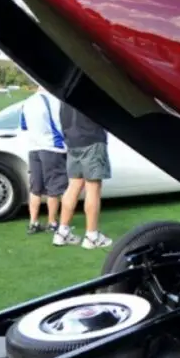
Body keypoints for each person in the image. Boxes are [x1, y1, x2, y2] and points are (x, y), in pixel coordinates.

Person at [52, 102, 113, 249]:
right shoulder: (90, 89)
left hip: (72, 141)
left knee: (74, 185)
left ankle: (62, 232)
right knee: (93, 187)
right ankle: (92, 236)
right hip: (91, 139)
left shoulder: (66, 92)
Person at [20, 87, 67, 235]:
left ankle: (33, 222)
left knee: (36, 187)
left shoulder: (27, 102)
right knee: (54, 187)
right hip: (52, 147)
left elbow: (24, 126)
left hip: (34, 147)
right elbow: (59, 123)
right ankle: (52, 222)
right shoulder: (53, 101)